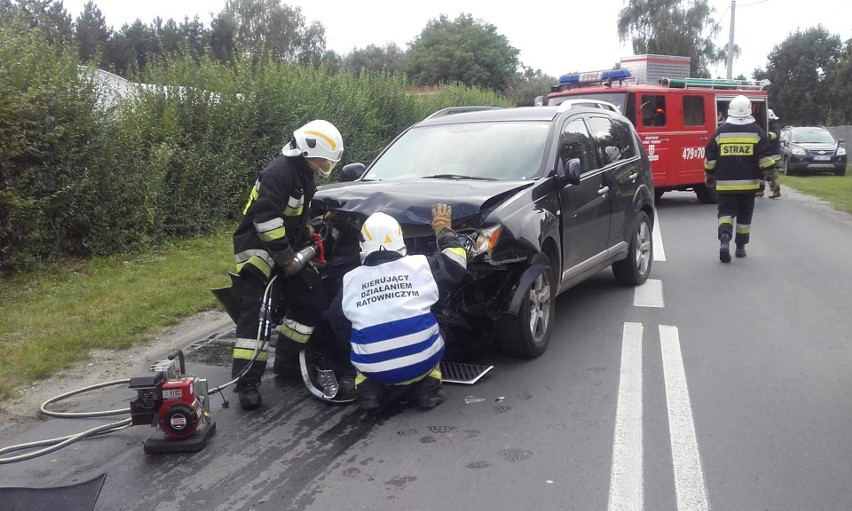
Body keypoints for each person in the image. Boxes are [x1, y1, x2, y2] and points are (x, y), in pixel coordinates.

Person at [230, 120, 344, 410]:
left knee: (313, 300)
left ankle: (287, 361)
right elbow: (266, 220)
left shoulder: (303, 173)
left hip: (285, 249)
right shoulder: (278, 173)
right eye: (323, 159)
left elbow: (293, 211)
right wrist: (285, 257)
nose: (325, 165)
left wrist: (305, 227)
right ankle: (246, 384)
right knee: (258, 316)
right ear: (308, 151)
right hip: (258, 250)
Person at [327, 205, 468, 413]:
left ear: (362, 244)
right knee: (438, 321)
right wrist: (443, 229)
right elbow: (457, 263)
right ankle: (429, 390)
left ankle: (369, 393)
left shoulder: (351, 279)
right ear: (400, 238)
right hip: (422, 362)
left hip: (373, 368)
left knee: (359, 339)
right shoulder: (421, 265)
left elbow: (337, 321)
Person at [704, 95, 775, 263]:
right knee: (744, 216)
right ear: (749, 110)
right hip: (749, 186)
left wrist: (710, 175)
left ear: (731, 111)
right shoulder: (757, 132)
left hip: (724, 185)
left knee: (725, 213)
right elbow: (766, 160)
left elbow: (710, 159)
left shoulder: (720, 132)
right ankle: (740, 248)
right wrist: (771, 177)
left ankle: (724, 240)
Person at [756, 109, 782, 199]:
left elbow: (775, 135)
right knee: (763, 173)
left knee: (769, 174)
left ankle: (775, 191)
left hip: (773, 156)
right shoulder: (768, 125)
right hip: (768, 154)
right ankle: (761, 191)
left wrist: (765, 135)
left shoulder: (775, 126)